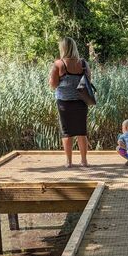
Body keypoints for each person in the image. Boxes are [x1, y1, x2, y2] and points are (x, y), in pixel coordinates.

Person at [49, 37, 91, 168]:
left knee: (67, 132)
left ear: (63, 48)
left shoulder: (59, 64)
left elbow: (54, 85)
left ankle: (69, 162)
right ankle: (84, 161)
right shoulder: (83, 63)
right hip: (81, 101)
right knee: (81, 131)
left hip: (64, 103)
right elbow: (88, 81)